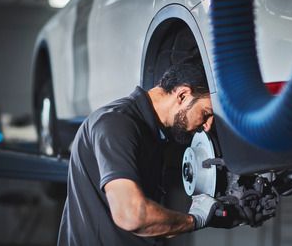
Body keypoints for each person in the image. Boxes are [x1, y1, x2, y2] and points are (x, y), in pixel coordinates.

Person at [57, 63, 221, 245]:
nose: (207, 126)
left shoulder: (152, 134)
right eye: (206, 113)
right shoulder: (116, 124)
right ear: (183, 95)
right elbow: (131, 215)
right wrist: (193, 220)